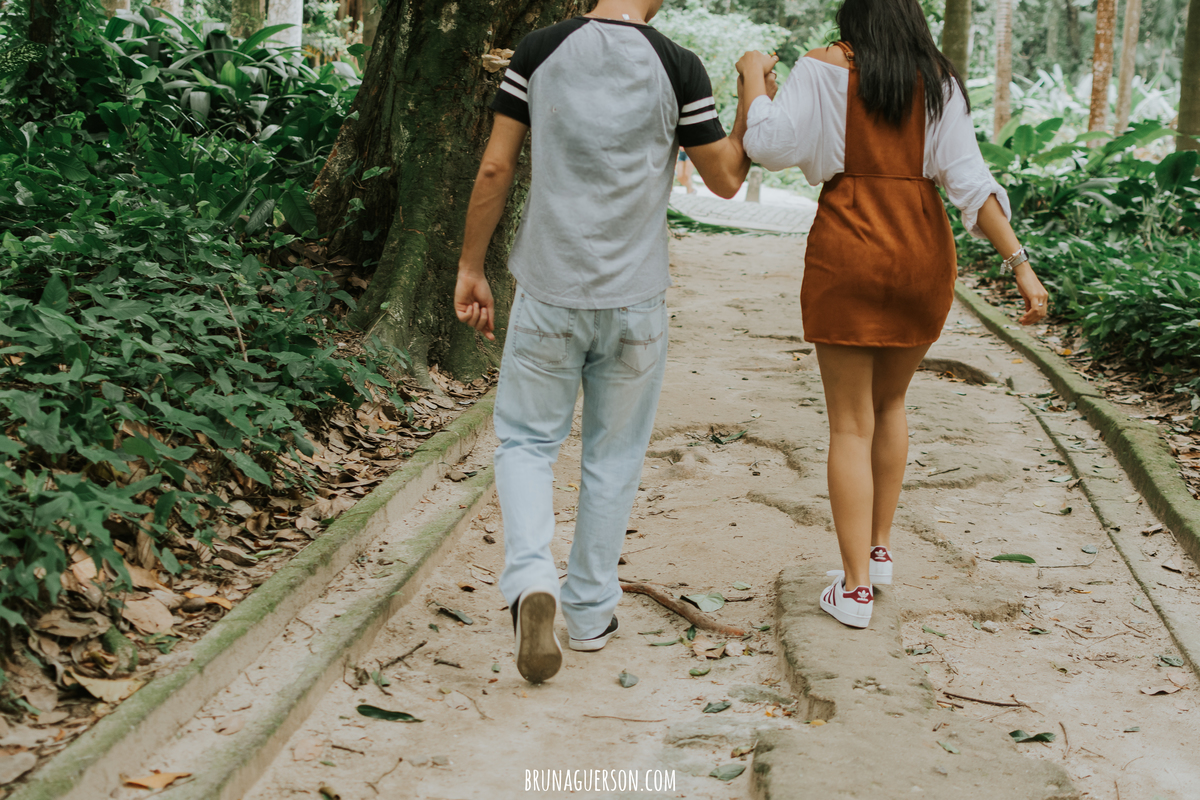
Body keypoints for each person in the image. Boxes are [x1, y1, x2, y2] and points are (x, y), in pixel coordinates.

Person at [454, 0, 770, 682]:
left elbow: (494, 169)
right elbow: (725, 178)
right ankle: (591, 613)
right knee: (613, 455)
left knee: (527, 443)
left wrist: (471, 265)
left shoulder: (539, 51)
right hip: (634, 302)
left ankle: (530, 579)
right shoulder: (677, 64)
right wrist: (753, 88)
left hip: (548, 293)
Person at [737, 0, 1049, 629]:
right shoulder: (940, 81)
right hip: (920, 255)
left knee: (849, 424)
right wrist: (1020, 263)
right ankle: (877, 554)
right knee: (891, 406)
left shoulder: (822, 67)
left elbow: (767, 147)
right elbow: (970, 181)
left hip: (848, 249)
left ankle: (852, 591)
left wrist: (752, 80)